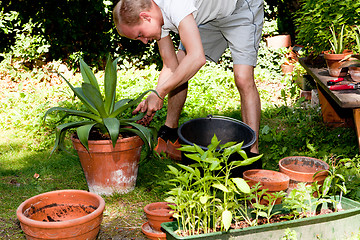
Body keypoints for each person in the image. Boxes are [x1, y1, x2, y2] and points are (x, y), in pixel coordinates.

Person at [113, 0, 264, 154]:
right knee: (181, 64)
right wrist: (154, 95)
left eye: (140, 34)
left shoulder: (175, 4)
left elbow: (197, 58)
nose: (144, 41)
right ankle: (170, 134)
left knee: (243, 78)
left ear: (145, 17)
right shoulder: (155, 13)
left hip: (239, 8)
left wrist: (160, 93)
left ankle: (252, 153)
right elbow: (170, 66)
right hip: (208, 17)